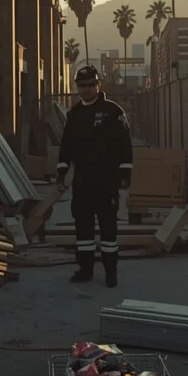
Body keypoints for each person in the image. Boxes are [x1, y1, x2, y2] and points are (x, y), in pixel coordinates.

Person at [56, 65, 134, 287]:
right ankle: (85, 270)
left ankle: (111, 271)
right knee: (83, 229)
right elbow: (66, 146)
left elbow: (125, 145)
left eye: (91, 84)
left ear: (98, 85)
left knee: (109, 228)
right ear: (77, 88)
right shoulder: (74, 115)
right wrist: (62, 172)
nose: (87, 89)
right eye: (82, 85)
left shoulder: (113, 112)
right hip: (82, 183)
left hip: (107, 182)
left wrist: (125, 172)